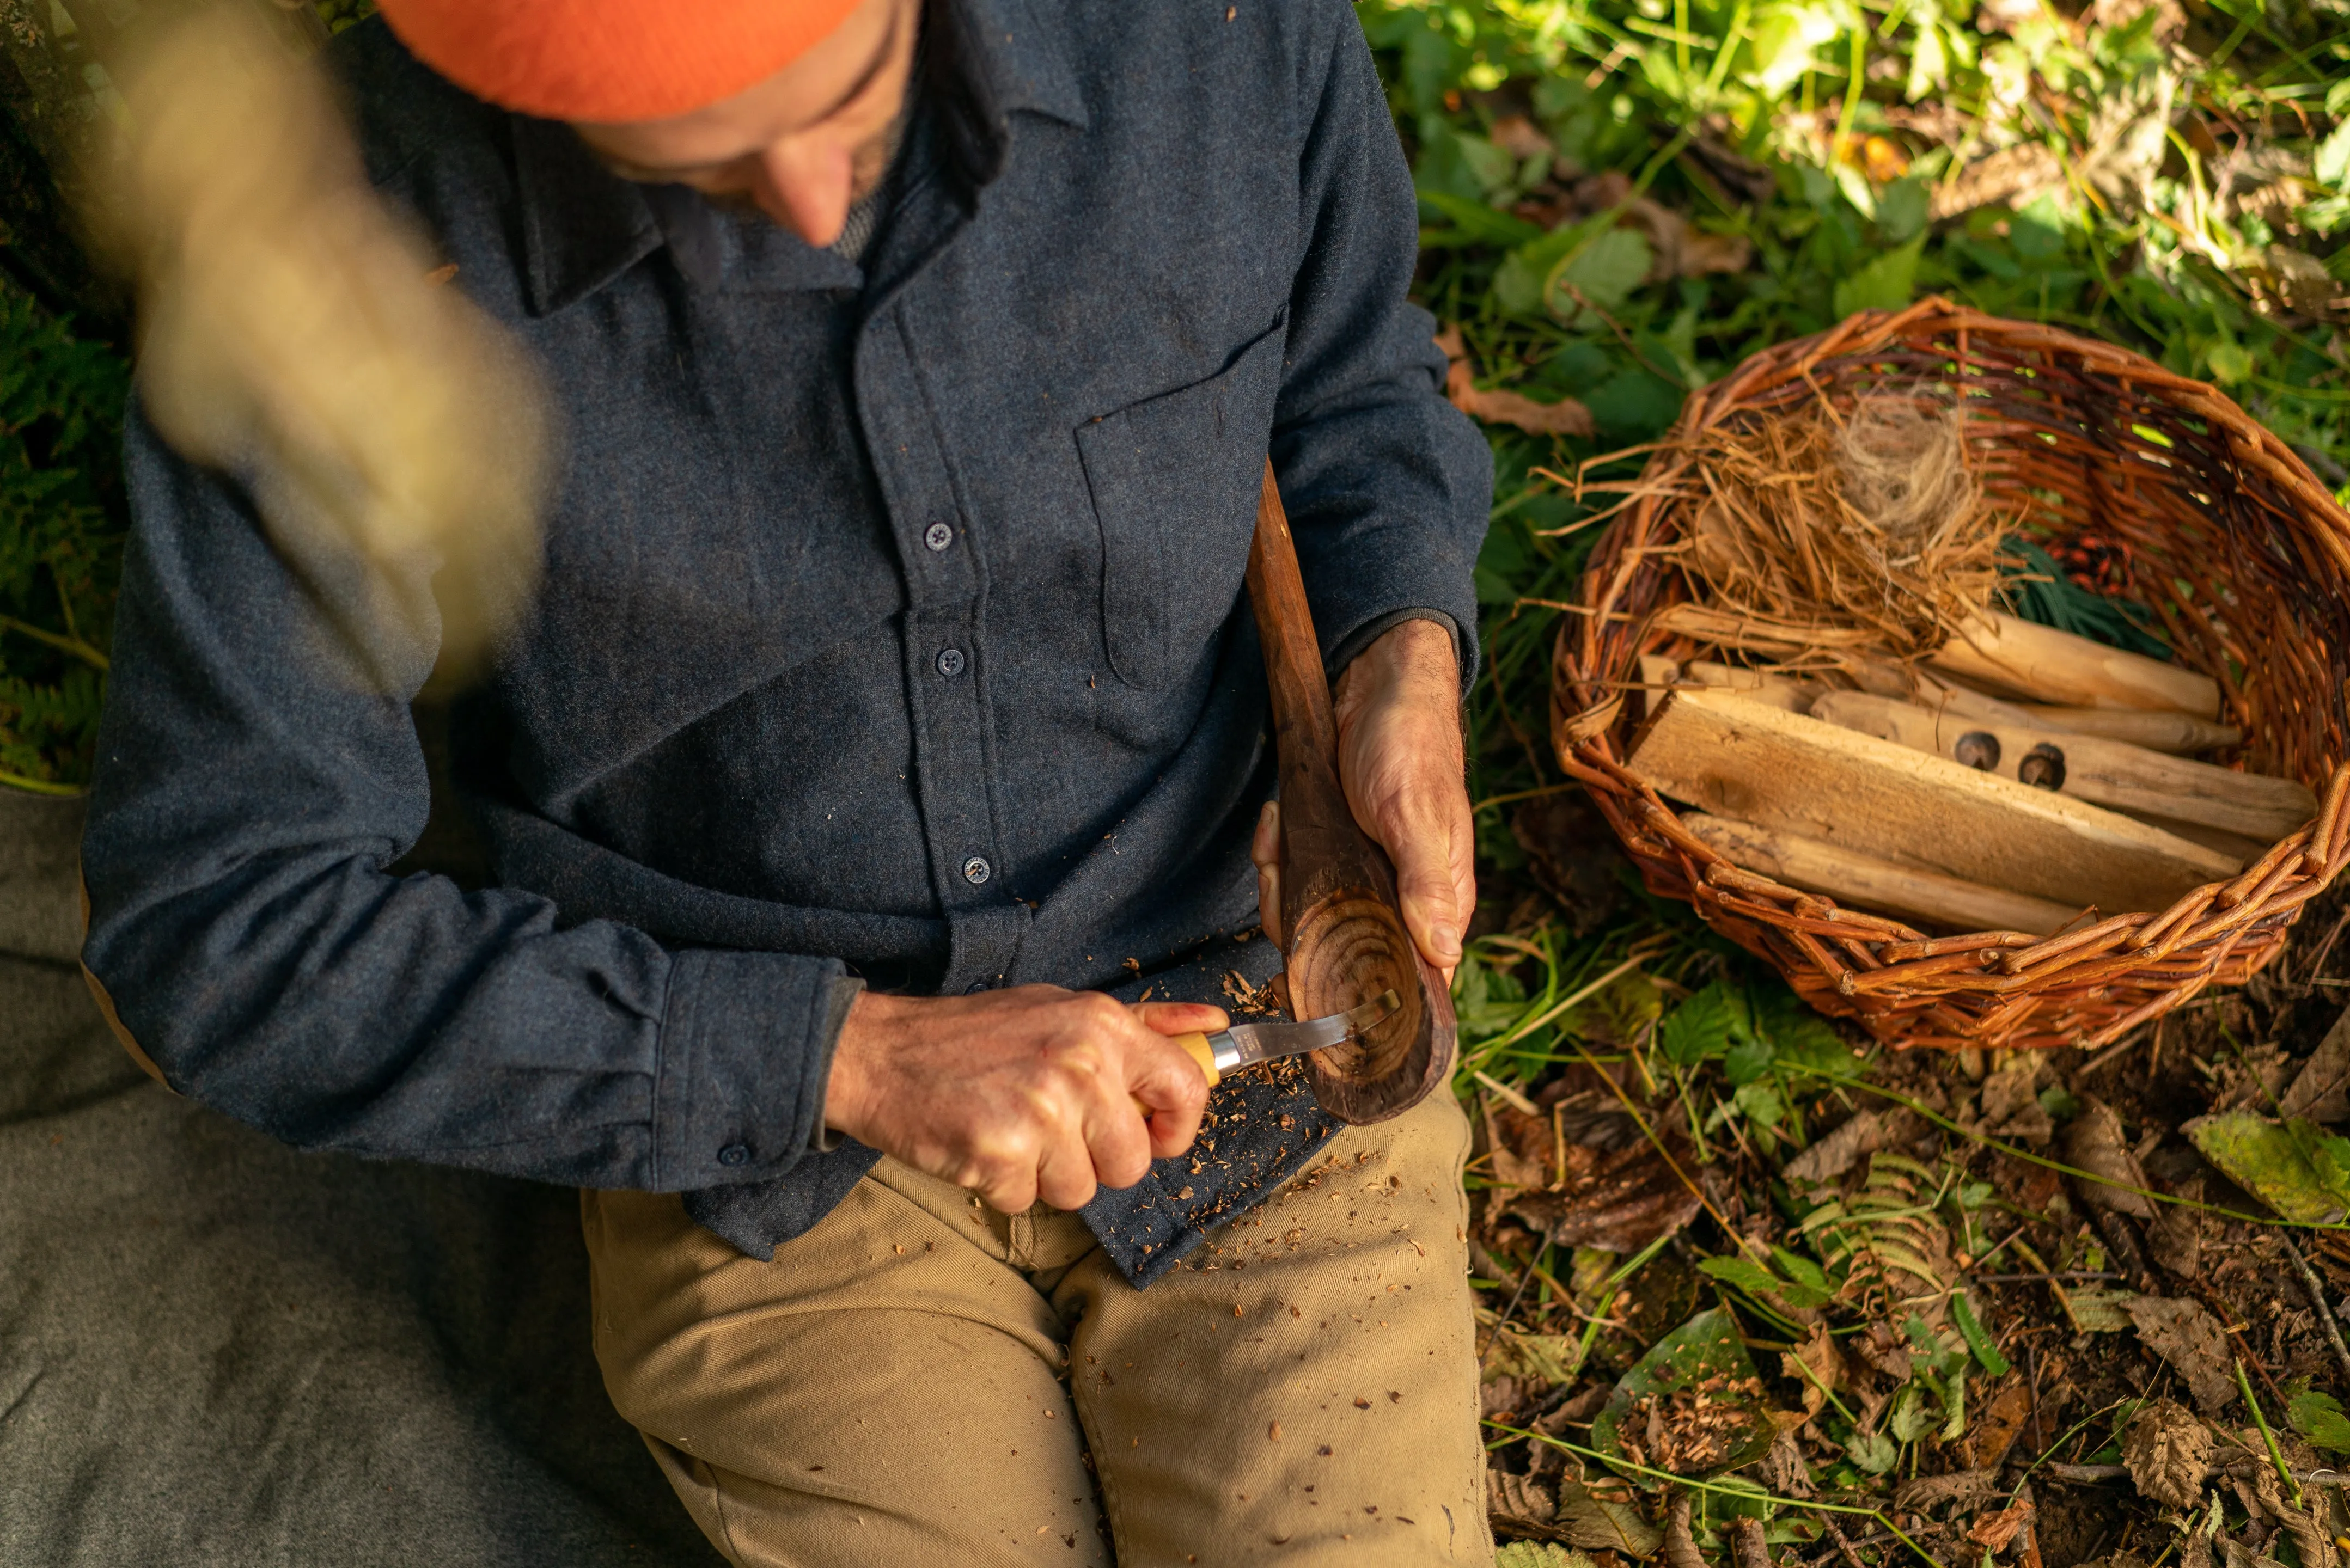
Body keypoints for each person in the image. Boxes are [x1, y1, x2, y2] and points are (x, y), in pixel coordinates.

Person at [78, 0, 1495, 1560]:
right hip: (768, 1144)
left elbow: (1352, 381)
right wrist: (843, 1061)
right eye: (701, 169)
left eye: (863, 100)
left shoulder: (1209, 38)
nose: (819, 206)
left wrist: (1395, 657)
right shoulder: (341, 249)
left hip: (1258, 1021)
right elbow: (219, 924)